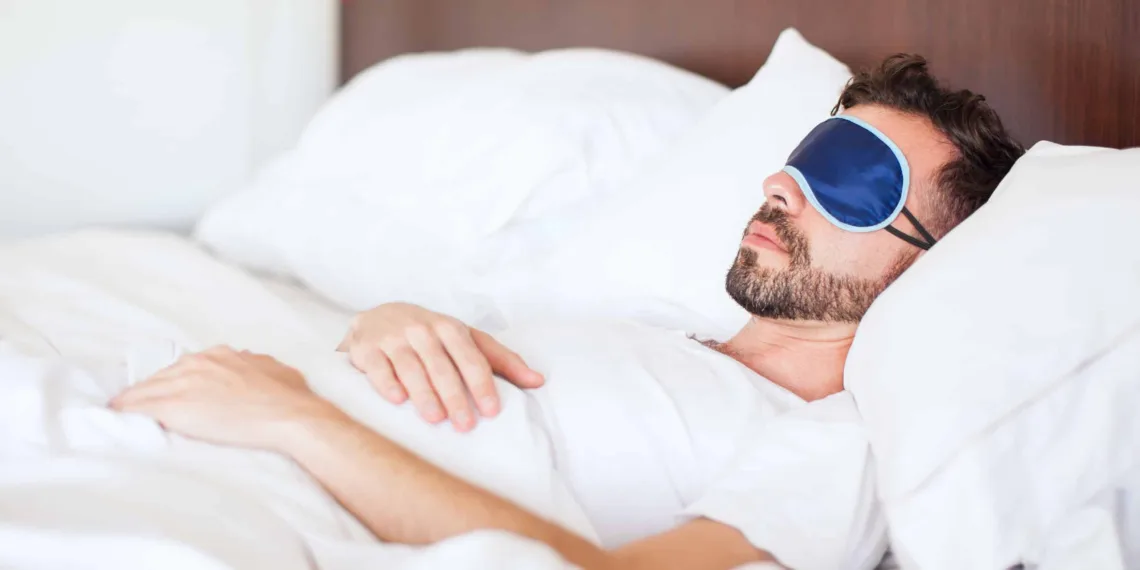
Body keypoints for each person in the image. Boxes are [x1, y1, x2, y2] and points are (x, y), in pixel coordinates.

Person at [110, 54, 1024, 569]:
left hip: (257, 510)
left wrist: (298, 422)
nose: (780, 185)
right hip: (180, 431)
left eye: (853, 183)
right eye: (804, 158)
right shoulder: (641, 323)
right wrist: (380, 321)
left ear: (934, 265)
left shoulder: (843, 443)